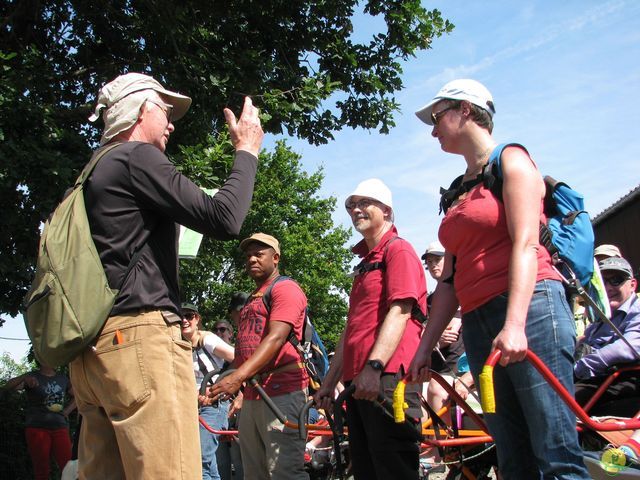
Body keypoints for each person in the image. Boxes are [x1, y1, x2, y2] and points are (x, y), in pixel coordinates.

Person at [69, 72, 263, 479]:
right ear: (141, 111)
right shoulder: (136, 157)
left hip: (93, 353)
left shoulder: (92, 172)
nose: (172, 123)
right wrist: (246, 151)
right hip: (140, 342)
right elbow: (225, 218)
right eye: (165, 109)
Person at [409, 78, 589, 479]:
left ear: (467, 111)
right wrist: (425, 346)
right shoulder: (458, 191)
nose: (433, 129)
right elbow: (448, 283)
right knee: (511, 454)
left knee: (554, 450)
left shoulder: (512, 159)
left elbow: (526, 244)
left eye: (437, 118)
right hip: (478, 320)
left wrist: (515, 324)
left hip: (532, 310)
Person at [314, 178, 427, 480]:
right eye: (352, 205)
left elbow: (401, 312)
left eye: (365, 202)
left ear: (387, 211)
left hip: (387, 380)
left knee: (394, 469)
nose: (356, 209)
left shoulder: (398, 251)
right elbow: (351, 330)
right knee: (366, 470)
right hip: (359, 382)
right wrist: (329, 382)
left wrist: (374, 367)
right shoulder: (365, 264)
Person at [209, 233, 309, 480]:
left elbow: (275, 338)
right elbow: (244, 353)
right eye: (248, 255)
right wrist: (216, 387)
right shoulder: (254, 298)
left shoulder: (286, 288)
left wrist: (238, 377)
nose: (252, 259)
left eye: (259, 254)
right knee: (254, 473)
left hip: (282, 392)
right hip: (255, 394)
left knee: (284, 471)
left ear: (275, 258)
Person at [574, 257, 640, 417]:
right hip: (599, 378)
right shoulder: (600, 319)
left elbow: (627, 348)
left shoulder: (636, 310)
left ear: (632, 285)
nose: (609, 287)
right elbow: (582, 344)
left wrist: (579, 368)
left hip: (624, 377)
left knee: (561, 401)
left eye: (616, 280)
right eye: (603, 282)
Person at [181, 302, 235, 480]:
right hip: (193, 406)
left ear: (197, 319)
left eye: (189, 316)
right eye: (179, 316)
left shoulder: (207, 339)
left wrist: (218, 385)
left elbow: (237, 358)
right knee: (209, 464)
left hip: (214, 404)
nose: (184, 320)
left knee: (200, 460)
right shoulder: (179, 345)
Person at [2, 364, 76, 480]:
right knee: (42, 470)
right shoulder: (32, 376)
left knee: (68, 467)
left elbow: (78, 396)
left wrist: (67, 411)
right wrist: (24, 378)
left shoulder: (62, 378)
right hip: (37, 428)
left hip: (60, 427)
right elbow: (7, 387)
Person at [216, 294, 248, 480]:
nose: (219, 333)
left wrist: (242, 396)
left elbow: (254, 369)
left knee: (243, 461)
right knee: (221, 462)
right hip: (224, 414)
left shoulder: (245, 346)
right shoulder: (214, 360)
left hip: (245, 411)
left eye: (223, 329)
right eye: (216, 330)